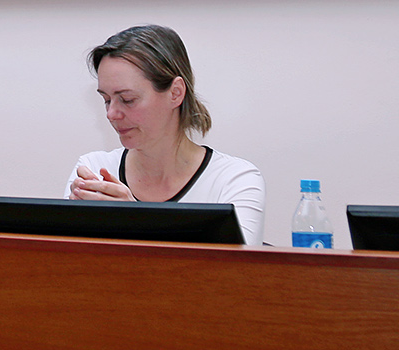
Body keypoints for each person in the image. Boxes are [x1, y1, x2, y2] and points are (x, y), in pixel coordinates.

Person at [66, 25, 265, 245]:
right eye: (106, 100)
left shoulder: (234, 180)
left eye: (127, 99)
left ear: (175, 93)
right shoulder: (93, 170)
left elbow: (234, 265)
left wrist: (133, 221)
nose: (111, 114)